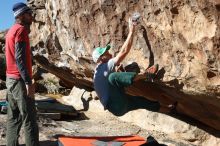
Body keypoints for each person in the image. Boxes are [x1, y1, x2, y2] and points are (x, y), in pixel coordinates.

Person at [92, 18, 165, 116]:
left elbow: (107, 86)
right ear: (101, 58)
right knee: (113, 77)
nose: (108, 53)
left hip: (118, 106)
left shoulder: (99, 71)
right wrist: (131, 31)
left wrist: (119, 73)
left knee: (141, 101)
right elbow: (124, 51)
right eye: (105, 52)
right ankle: (146, 75)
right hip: (115, 104)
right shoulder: (105, 66)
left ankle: (168, 109)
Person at [5, 2, 39, 146]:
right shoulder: (20, 30)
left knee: (13, 118)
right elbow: (20, 59)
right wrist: (28, 82)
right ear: (20, 15)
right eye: (28, 13)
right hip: (19, 81)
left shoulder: (11, 31)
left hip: (10, 79)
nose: (31, 16)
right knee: (29, 119)